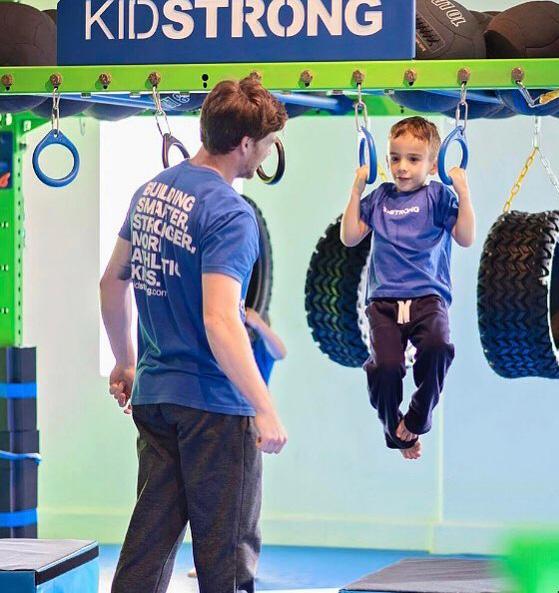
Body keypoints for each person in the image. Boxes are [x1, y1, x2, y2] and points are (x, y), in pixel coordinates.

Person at [100, 76, 288, 593]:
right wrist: (264, 406)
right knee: (226, 559)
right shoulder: (230, 213)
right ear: (245, 144)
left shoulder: (150, 192)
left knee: (148, 546)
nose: (267, 154)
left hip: (156, 398)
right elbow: (220, 319)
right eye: (268, 144)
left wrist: (125, 360)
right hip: (214, 407)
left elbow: (112, 283)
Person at [340, 116, 475, 460]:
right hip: (383, 303)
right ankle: (394, 428)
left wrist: (463, 192)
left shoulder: (437, 196)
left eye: (413, 159)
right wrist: (356, 191)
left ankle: (417, 417)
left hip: (428, 299)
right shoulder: (380, 198)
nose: (402, 167)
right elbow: (350, 236)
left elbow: (465, 237)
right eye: (395, 158)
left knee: (438, 348)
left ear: (433, 164)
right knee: (385, 368)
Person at [188, 307, 286, 579]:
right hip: (217, 419)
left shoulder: (256, 353)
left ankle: (240, 564)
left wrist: (258, 323)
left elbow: (280, 352)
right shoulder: (221, 350)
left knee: (241, 502)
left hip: (247, 422)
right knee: (210, 495)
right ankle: (210, 562)